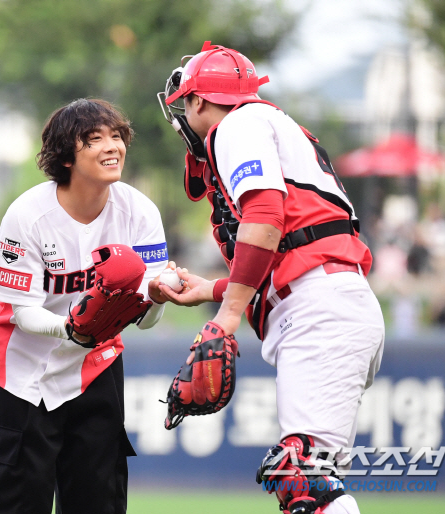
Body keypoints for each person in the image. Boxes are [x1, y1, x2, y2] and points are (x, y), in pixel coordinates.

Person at [157, 42, 385, 514]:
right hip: (325, 300)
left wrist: (226, 316)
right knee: (308, 477)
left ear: (198, 100)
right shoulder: (268, 123)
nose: (183, 115)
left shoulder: (236, 124)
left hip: (319, 309)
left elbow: (265, 215)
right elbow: (291, 247)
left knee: (303, 478)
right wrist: (213, 290)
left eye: (186, 104)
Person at [0, 99, 170, 514]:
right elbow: (22, 312)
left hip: (95, 368)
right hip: (19, 374)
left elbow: (147, 319)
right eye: (94, 139)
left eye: (117, 136)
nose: (111, 146)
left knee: (98, 502)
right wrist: (74, 330)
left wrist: (159, 297)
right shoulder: (28, 214)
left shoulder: (139, 212)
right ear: (65, 155)